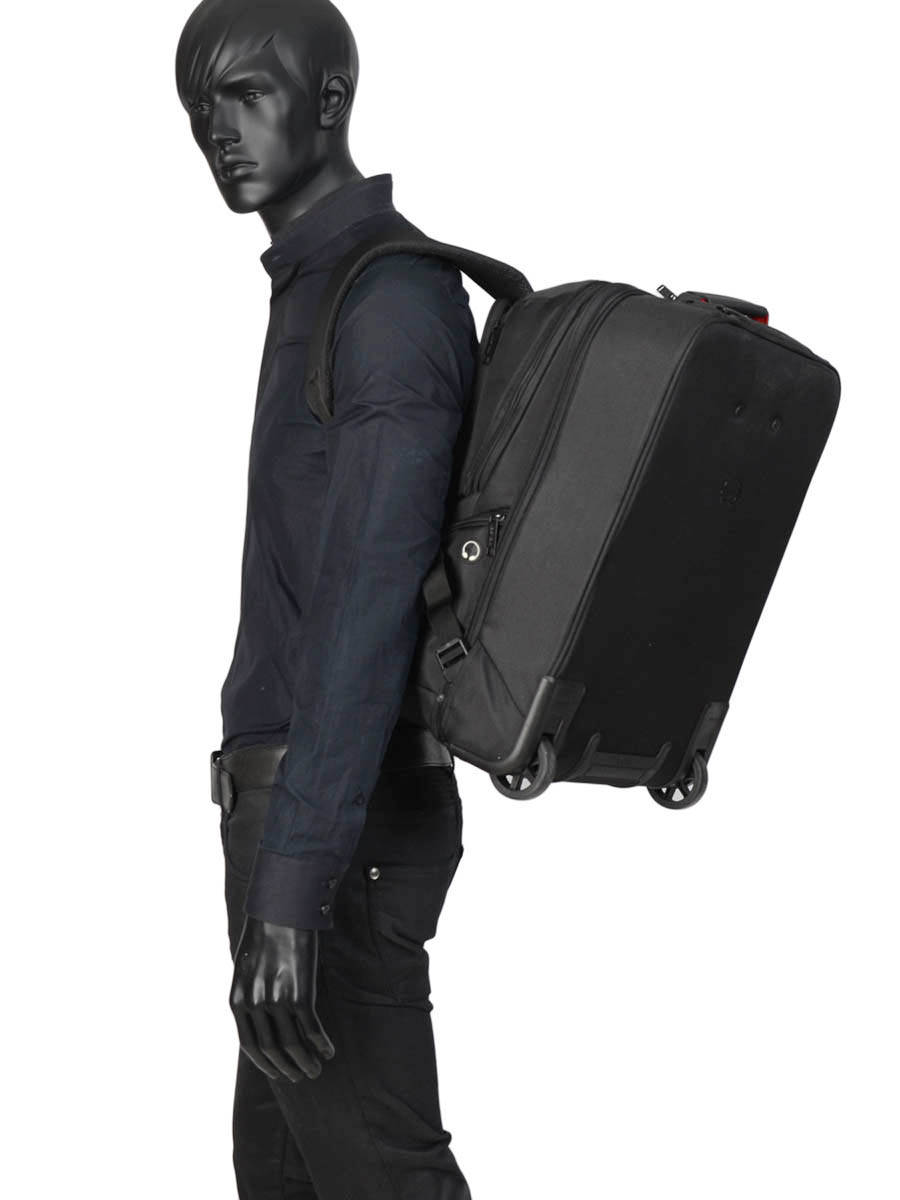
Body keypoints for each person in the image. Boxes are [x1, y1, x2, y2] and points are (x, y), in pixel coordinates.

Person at [175, 2, 479, 1196]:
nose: (218, 128)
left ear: (330, 102)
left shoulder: (384, 299)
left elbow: (367, 606)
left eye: (246, 93)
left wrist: (294, 883)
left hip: (333, 830)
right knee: (281, 1176)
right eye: (199, 105)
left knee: (384, 1180)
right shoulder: (316, 286)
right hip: (304, 818)